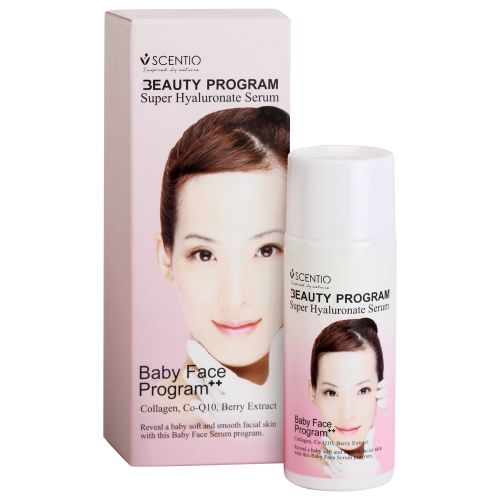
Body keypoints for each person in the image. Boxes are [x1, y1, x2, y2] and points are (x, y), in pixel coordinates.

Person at [154, 106, 289, 425]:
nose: (235, 298)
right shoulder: (157, 429)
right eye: (204, 254)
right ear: (166, 258)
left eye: (266, 250)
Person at [309, 318, 387, 477]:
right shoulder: (308, 470)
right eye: (331, 393)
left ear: (381, 387)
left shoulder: (384, 464)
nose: (347, 414)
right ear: (312, 391)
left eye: (363, 390)